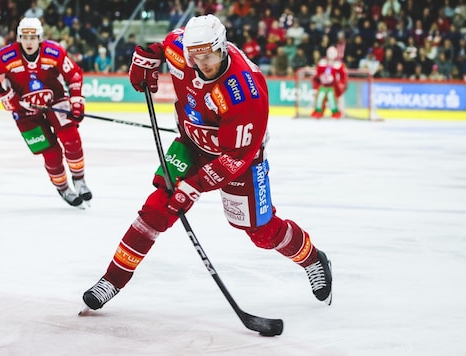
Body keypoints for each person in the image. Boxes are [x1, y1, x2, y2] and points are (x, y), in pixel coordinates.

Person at [82, 14, 333, 312]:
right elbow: (164, 45)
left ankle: (312, 258)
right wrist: (146, 57)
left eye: (210, 55)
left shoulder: (244, 91)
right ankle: (113, 279)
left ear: (223, 47)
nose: (203, 63)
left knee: (259, 231)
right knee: (155, 209)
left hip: (240, 159)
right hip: (191, 145)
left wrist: (194, 186)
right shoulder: (183, 50)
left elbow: (235, 158)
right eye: (196, 56)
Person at [0, 17, 92, 208]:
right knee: (51, 153)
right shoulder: (6, 56)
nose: (29, 41)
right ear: (18, 38)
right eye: (25, 37)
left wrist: (77, 102)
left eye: (33, 37)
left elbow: (74, 74)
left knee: (71, 137)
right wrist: (5, 95)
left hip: (56, 101)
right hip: (23, 111)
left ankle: (79, 180)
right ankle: (63, 188)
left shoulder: (53, 52)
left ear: (40, 38)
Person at [311, 46, 348, 119]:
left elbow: (343, 76)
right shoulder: (322, 63)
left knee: (332, 99)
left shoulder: (338, 64)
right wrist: (315, 85)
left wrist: (341, 84)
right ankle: (318, 112)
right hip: (322, 86)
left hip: (333, 87)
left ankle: (335, 113)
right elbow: (316, 75)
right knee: (319, 98)